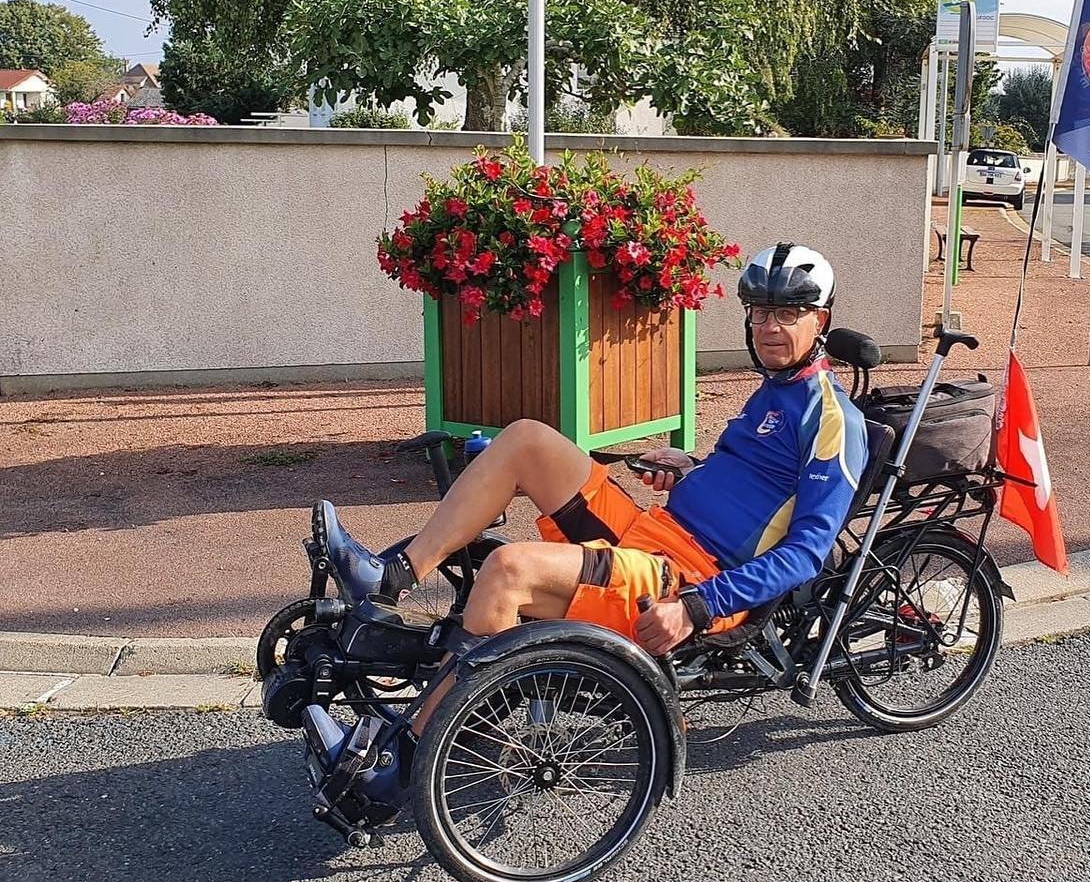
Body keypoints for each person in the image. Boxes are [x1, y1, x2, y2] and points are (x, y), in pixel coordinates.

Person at [322, 244, 868, 661]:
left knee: (507, 566)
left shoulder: (831, 419)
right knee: (527, 438)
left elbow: (805, 555)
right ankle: (393, 574)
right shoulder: (774, 387)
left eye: (788, 314)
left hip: (686, 578)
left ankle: (426, 747)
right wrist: (693, 469)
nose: (769, 327)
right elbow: (759, 483)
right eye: (759, 312)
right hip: (652, 531)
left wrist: (698, 608)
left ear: (820, 320)